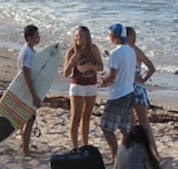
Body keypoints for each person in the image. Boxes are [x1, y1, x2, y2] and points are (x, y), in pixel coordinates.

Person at [101, 23, 139, 159]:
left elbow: (112, 76)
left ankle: (115, 155)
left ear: (115, 36)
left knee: (106, 127)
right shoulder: (131, 51)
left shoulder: (115, 53)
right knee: (125, 128)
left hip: (118, 94)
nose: (109, 37)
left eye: (110, 34)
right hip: (129, 92)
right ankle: (122, 157)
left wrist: (103, 82)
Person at [65, 25, 103, 149]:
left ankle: (85, 145)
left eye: (81, 36)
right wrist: (72, 61)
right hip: (77, 86)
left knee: (86, 117)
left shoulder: (93, 49)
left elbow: (100, 67)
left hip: (91, 85)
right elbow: (66, 73)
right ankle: (75, 147)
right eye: (76, 36)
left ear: (87, 37)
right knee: (76, 117)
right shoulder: (72, 51)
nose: (78, 38)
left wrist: (89, 67)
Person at [126, 27, 160, 159]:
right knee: (130, 123)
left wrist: (143, 79)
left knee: (144, 122)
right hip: (126, 89)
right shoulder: (122, 51)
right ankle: (133, 152)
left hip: (137, 89)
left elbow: (151, 67)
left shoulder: (136, 51)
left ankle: (154, 152)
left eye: (129, 37)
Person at [17, 24, 42, 157]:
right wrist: (33, 96)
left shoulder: (31, 51)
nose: (39, 37)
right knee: (29, 120)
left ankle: (24, 147)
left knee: (26, 120)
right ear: (29, 38)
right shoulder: (26, 53)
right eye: (36, 35)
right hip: (26, 91)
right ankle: (25, 151)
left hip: (27, 91)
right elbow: (26, 76)